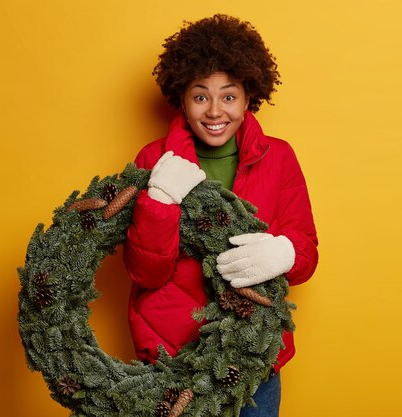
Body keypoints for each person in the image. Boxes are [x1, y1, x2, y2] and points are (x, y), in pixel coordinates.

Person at [123, 14, 318, 417]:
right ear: (182, 98)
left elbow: (306, 253)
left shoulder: (279, 158)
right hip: (172, 357)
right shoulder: (152, 159)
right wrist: (158, 200)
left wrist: (285, 253)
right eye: (201, 96)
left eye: (228, 96)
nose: (215, 111)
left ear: (249, 97)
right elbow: (145, 273)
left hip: (253, 359)